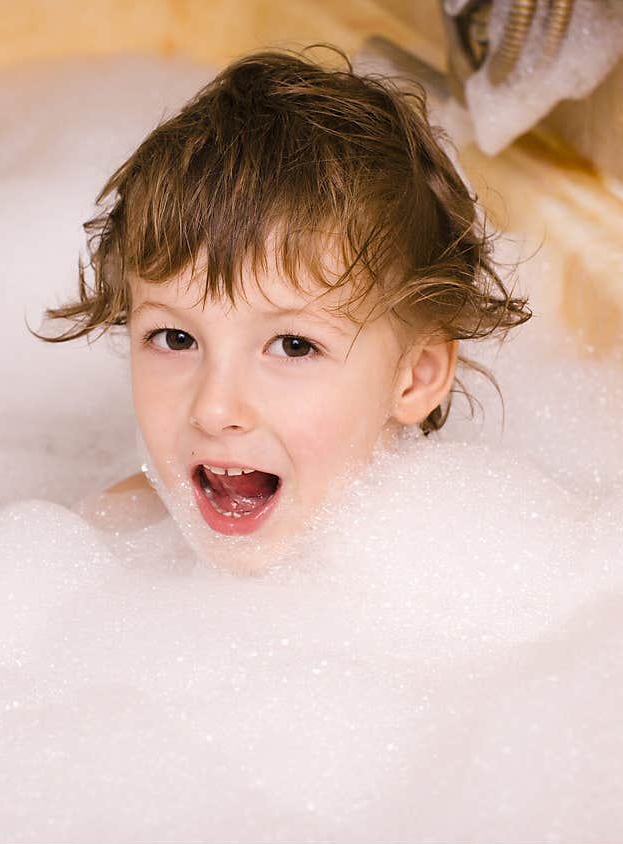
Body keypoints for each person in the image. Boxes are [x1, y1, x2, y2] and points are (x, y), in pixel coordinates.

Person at [35, 46, 530, 573]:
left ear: (415, 378)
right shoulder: (111, 538)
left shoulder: (468, 574)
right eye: (176, 339)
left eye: (294, 346)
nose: (215, 409)